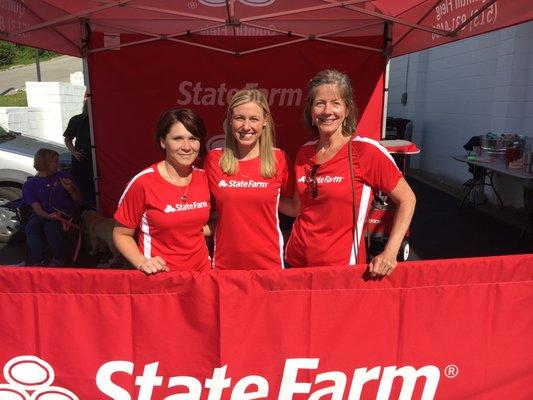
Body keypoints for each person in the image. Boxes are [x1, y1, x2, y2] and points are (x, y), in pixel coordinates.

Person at [284, 70, 416, 276]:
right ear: (310, 110)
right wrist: (256, 198)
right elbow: (297, 207)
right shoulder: (304, 152)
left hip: (340, 269)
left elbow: (407, 199)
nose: (327, 111)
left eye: (335, 103)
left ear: (347, 109)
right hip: (295, 261)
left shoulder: (365, 151)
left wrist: (390, 252)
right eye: (319, 103)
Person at [204, 88, 294, 270]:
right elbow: (204, 212)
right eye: (239, 118)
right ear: (230, 121)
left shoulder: (280, 160)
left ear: (265, 121)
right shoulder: (215, 160)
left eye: (254, 119)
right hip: (225, 265)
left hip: (269, 265)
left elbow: (295, 208)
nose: (246, 126)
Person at [113, 109, 211, 274]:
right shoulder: (143, 183)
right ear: (163, 142)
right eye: (177, 138)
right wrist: (142, 262)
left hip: (202, 275)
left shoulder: (204, 178)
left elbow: (212, 223)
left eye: (193, 138)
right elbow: (121, 234)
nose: (186, 146)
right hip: (161, 279)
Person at [22, 148, 82, 266]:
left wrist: (70, 190)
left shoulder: (64, 177)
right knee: (31, 227)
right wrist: (49, 216)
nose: (58, 164)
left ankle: (60, 258)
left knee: (51, 227)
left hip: (64, 214)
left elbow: (79, 201)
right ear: (45, 163)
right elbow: (37, 209)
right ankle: (38, 261)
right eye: (55, 162)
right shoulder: (30, 185)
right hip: (43, 214)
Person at [64, 97, 96, 208]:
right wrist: (75, 153)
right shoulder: (77, 120)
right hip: (81, 160)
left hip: (100, 160)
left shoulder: (102, 119)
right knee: (82, 188)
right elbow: (68, 140)